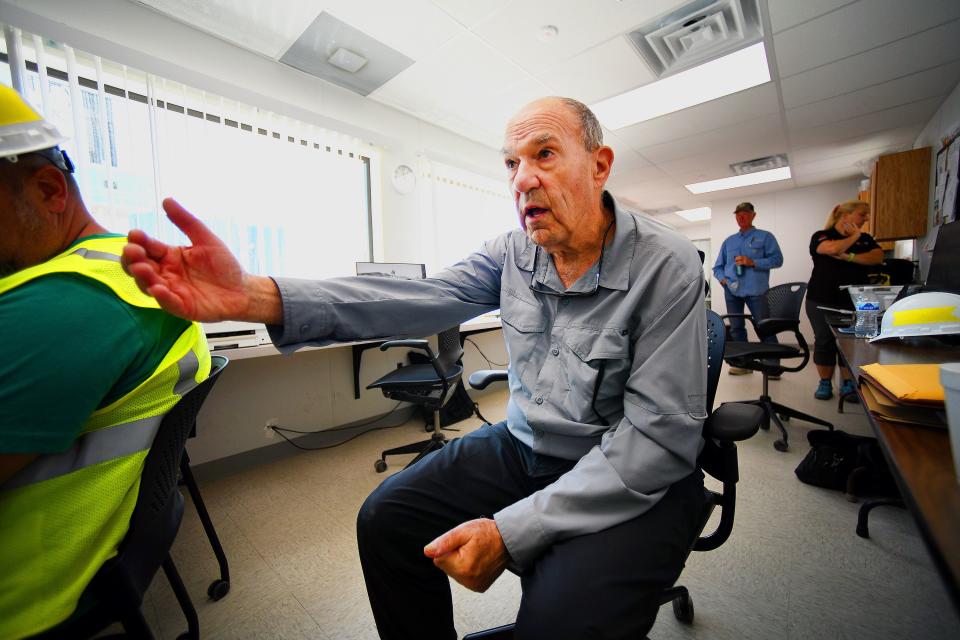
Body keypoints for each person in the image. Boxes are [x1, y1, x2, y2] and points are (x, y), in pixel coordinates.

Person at [122, 96, 708, 639]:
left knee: (558, 624)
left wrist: (509, 532)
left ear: (599, 165)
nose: (522, 178)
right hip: (530, 446)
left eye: (545, 155)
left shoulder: (668, 266)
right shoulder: (513, 252)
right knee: (386, 520)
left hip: (628, 469)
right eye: (510, 164)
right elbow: (419, 299)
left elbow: (656, 440)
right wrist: (259, 298)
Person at [0, 84, 210, 640]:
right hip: (119, 537)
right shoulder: (129, 269)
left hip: (30, 592)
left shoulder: (64, 303)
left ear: (48, 190)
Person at [805, 200, 883, 400]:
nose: (866, 218)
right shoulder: (822, 236)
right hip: (821, 299)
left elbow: (876, 257)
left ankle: (848, 383)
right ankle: (824, 383)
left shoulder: (866, 239)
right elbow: (830, 250)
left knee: (850, 343)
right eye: (862, 214)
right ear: (844, 215)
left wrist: (849, 256)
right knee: (824, 341)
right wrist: (853, 239)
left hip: (856, 301)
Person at [712, 202, 783, 374]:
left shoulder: (765, 237)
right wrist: (724, 282)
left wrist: (753, 262)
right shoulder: (729, 241)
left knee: (765, 327)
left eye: (745, 213)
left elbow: (777, 260)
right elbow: (717, 267)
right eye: (738, 214)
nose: (741, 217)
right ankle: (743, 364)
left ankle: (773, 365)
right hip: (732, 292)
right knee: (736, 328)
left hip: (756, 291)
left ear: (753, 215)